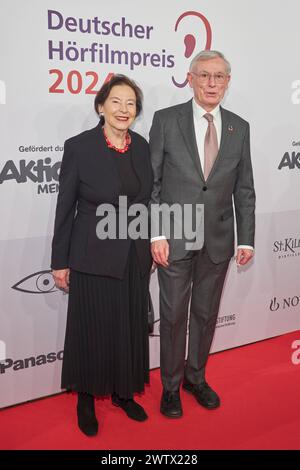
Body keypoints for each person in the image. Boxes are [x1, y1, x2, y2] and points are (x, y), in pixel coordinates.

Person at [149, 50, 255, 418]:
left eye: (220, 77)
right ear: (190, 78)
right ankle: (171, 387)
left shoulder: (238, 127)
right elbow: (154, 182)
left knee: (206, 314)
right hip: (175, 238)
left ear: (228, 82)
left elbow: (244, 188)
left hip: (219, 239)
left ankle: (196, 377)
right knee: (174, 315)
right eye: (205, 76)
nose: (212, 84)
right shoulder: (166, 120)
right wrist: (156, 234)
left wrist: (245, 238)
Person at [51, 74, 153, 436]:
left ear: (136, 111)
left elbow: (146, 201)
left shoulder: (141, 146)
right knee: (91, 329)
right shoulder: (79, 147)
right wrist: (59, 261)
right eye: (116, 102)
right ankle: (86, 396)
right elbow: (65, 207)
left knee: (129, 325)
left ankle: (124, 393)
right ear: (101, 106)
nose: (123, 109)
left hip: (134, 254)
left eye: (130, 104)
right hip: (92, 253)